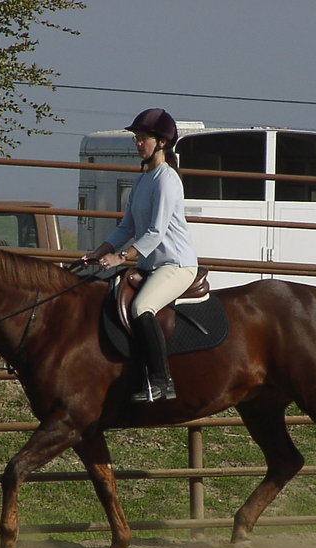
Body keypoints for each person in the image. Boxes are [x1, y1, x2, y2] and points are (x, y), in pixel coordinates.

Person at [83, 108, 199, 403]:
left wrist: (121, 257)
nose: (137, 143)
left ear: (162, 142)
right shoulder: (142, 180)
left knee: (141, 307)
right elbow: (127, 227)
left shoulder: (166, 180)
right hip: (152, 265)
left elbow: (156, 232)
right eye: (136, 138)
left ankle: (162, 381)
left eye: (143, 138)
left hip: (176, 264)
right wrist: (98, 252)